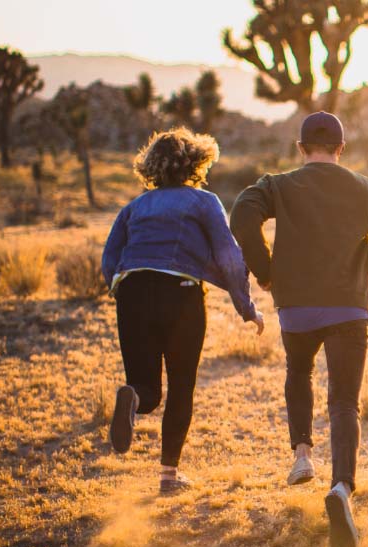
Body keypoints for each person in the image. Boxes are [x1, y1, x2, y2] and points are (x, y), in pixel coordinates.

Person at [230, 111, 368, 547]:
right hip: (348, 306)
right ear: (341, 148)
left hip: (296, 307)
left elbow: (242, 215)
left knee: (299, 372)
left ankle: (302, 456)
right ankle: (342, 487)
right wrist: (363, 257)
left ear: (301, 147)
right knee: (345, 400)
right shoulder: (364, 187)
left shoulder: (277, 185)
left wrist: (266, 270)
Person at [102, 127, 263, 495]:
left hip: (133, 292)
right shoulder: (204, 202)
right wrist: (247, 307)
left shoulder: (134, 207)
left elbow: (110, 258)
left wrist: (122, 290)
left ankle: (133, 398)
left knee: (146, 388)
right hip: (181, 294)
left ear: (151, 166)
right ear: (195, 163)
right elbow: (229, 256)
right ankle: (169, 476)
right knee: (180, 386)